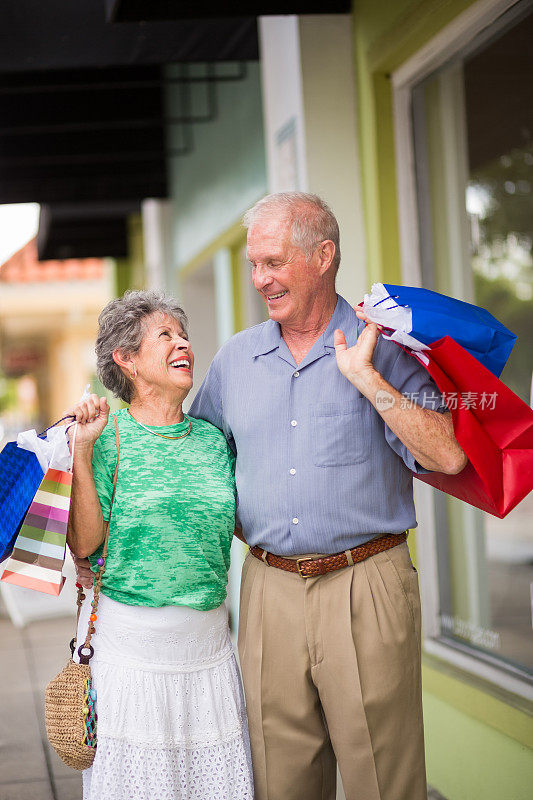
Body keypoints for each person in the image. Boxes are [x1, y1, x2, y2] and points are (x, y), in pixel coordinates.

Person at [188, 193, 467, 800]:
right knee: (278, 778)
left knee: (381, 779)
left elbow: (446, 455)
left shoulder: (385, 346)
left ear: (323, 256)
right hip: (267, 588)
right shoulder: (235, 360)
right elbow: (198, 467)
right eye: (254, 265)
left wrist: (367, 378)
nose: (261, 279)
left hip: (366, 584)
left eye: (274, 262)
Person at [67, 291, 253, 800]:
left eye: (183, 334)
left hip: (210, 657)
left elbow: (242, 525)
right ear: (126, 360)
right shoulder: (108, 438)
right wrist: (82, 453)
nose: (183, 344)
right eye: (165, 335)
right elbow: (84, 543)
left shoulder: (214, 442)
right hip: (132, 660)